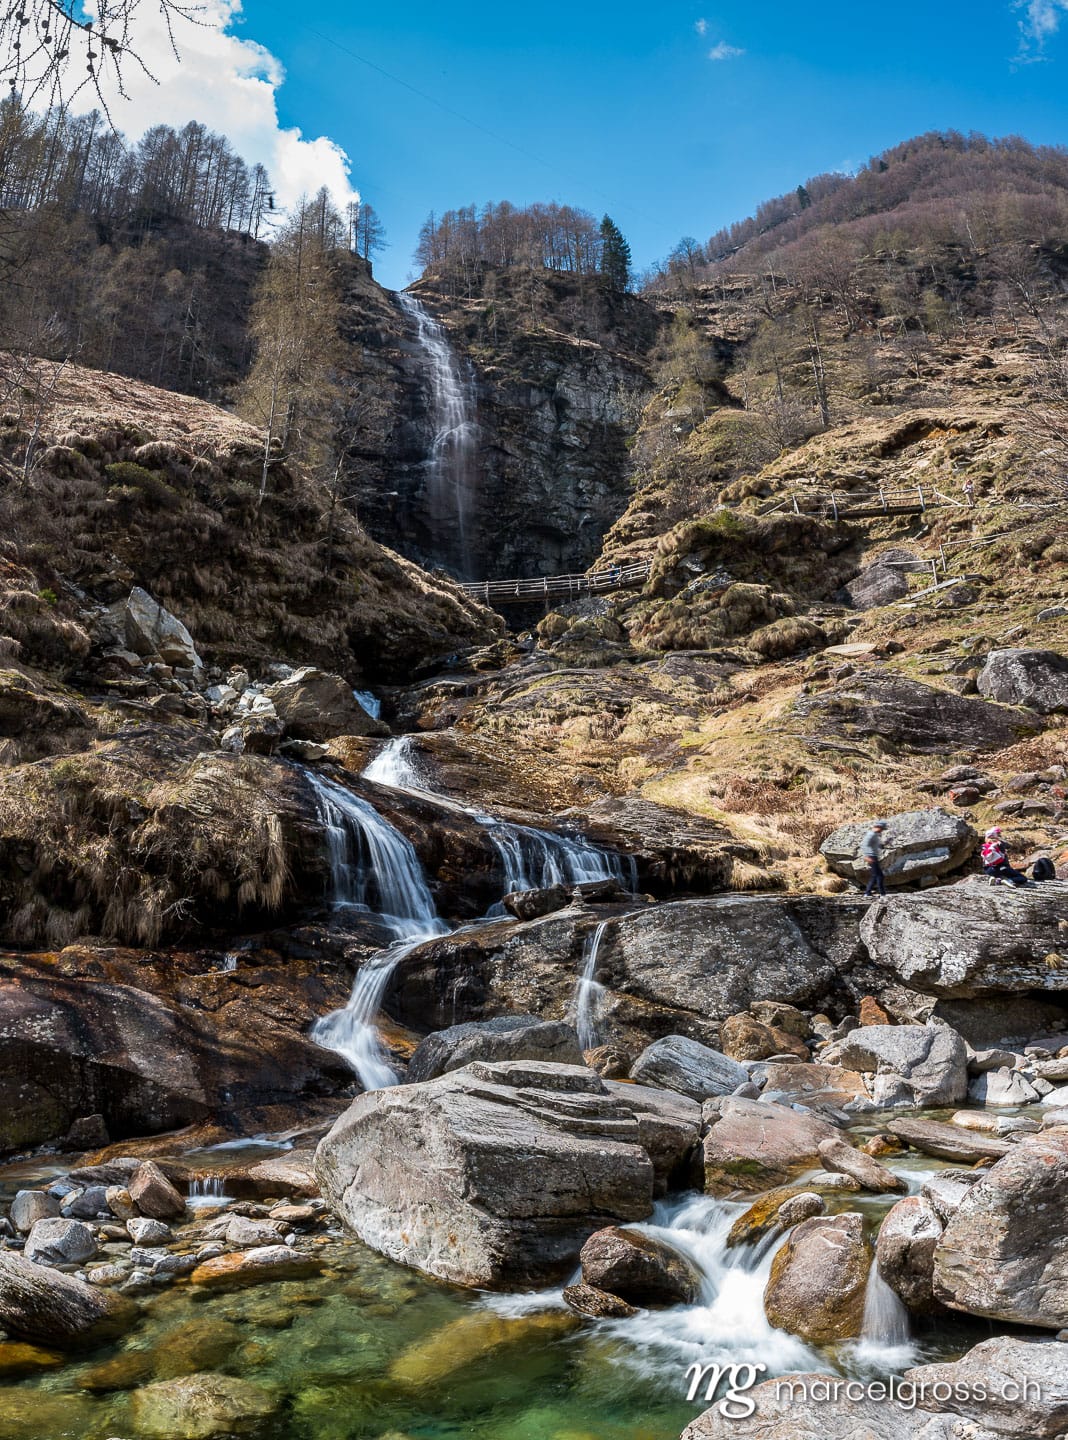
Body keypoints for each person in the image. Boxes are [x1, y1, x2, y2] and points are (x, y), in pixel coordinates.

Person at [859, 821, 888, 897]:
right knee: (879, 875)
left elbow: (878, 846)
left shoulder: (875, 835)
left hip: (874, 856)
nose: (882, 830)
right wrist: (867, 856)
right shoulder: (871, 834)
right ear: (878, 827)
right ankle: (881, 893)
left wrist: (886, 843)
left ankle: (869, 892)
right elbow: (864, 845)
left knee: (875, 875)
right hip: (871, 856)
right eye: (882, 829)